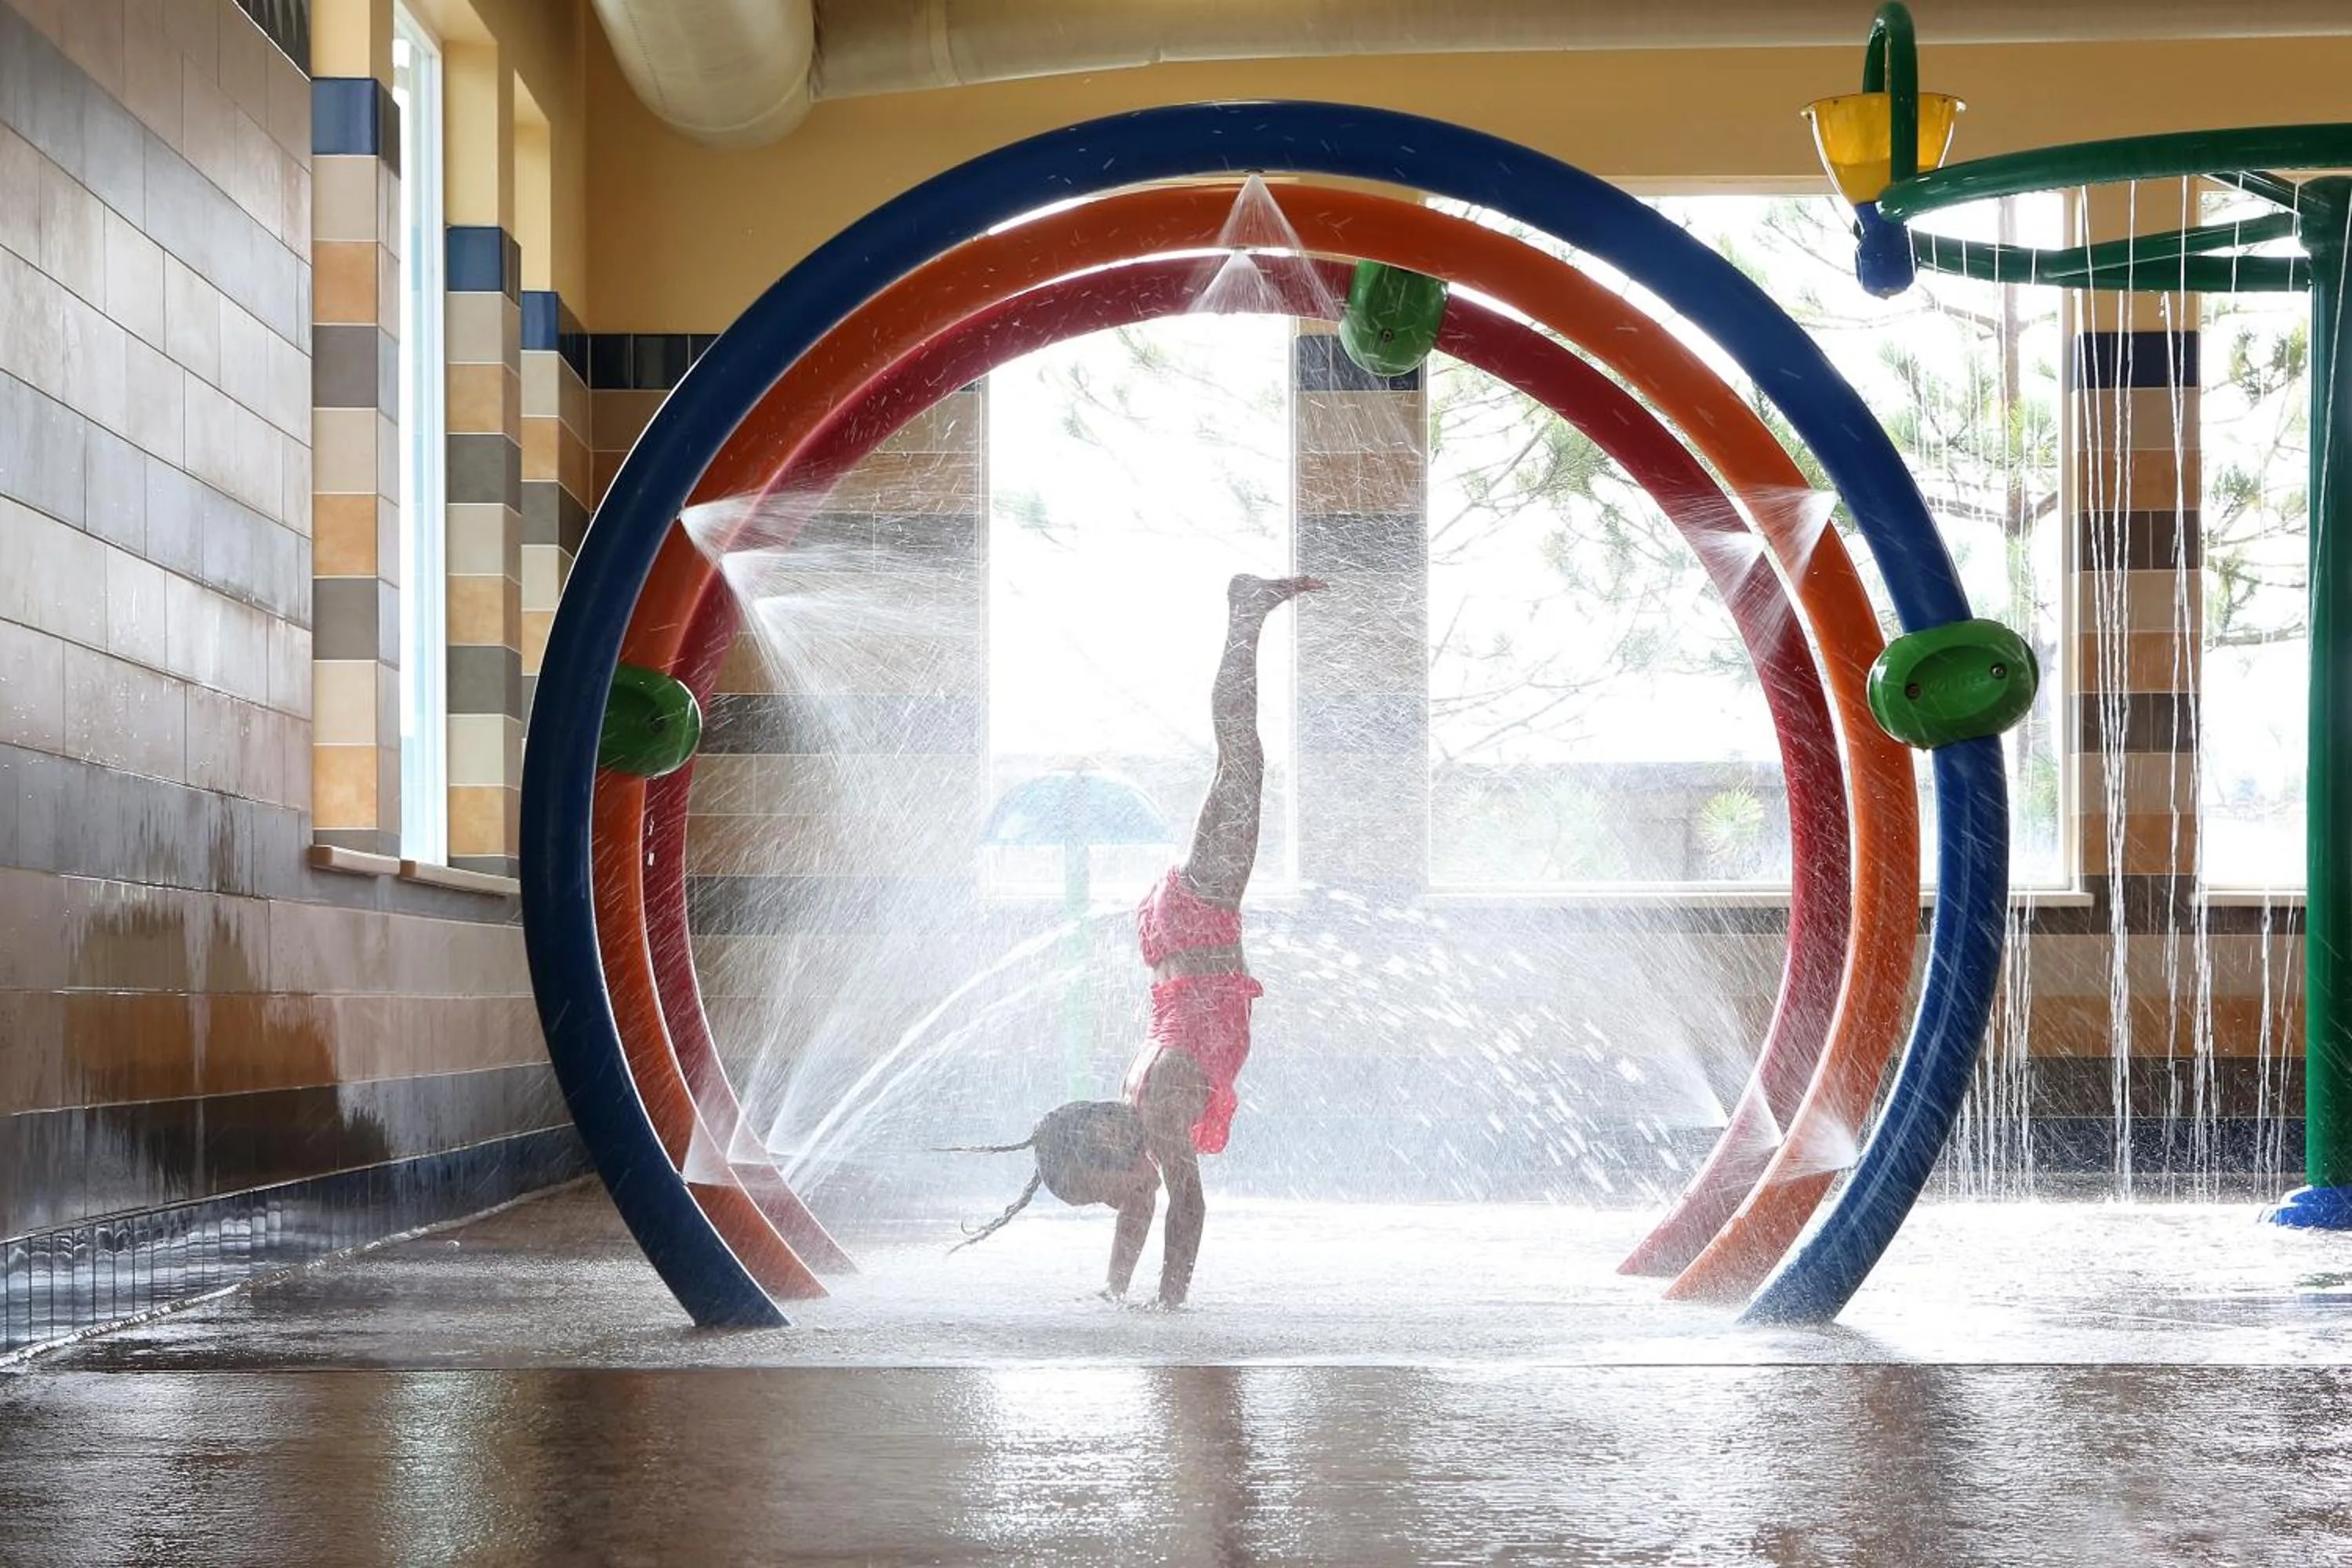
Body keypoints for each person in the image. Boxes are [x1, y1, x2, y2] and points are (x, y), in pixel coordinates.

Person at [949, 573, 1322, 1307]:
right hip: (1178, 939)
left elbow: (1189, 1206)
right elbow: (1146, 1202)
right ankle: (1246, 616)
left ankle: (1245, 613)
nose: (1120, 1203)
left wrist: (1169, 1308)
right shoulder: (1139, 1118)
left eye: (1103, 1193)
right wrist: (1114, 1294)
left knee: (1241, 760)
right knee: (1239, 764)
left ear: (1111, 1147)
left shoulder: (1156, 1107)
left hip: (1199, 918)